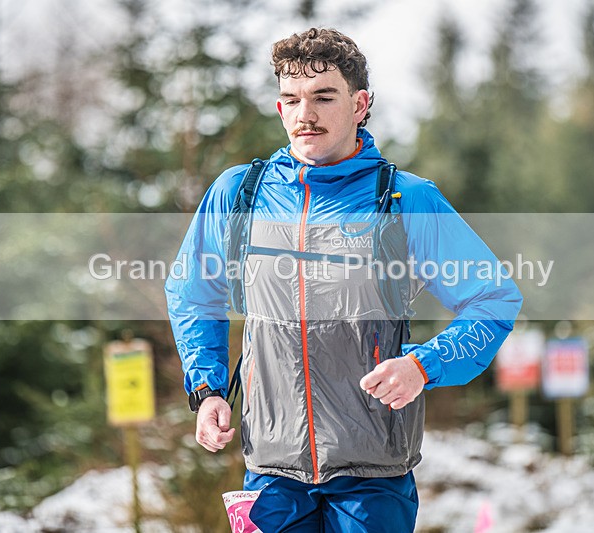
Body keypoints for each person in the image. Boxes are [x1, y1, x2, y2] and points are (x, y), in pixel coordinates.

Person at [165, 27, 523, 532]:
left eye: (322, 97)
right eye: (290, 99)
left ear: (360, 104)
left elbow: (493, 298)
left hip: (371, 477)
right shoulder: (239, 194)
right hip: (270, 473)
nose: (304, 115)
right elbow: (193, 295)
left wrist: (423, 365)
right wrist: (208, 389)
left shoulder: (404, 200)